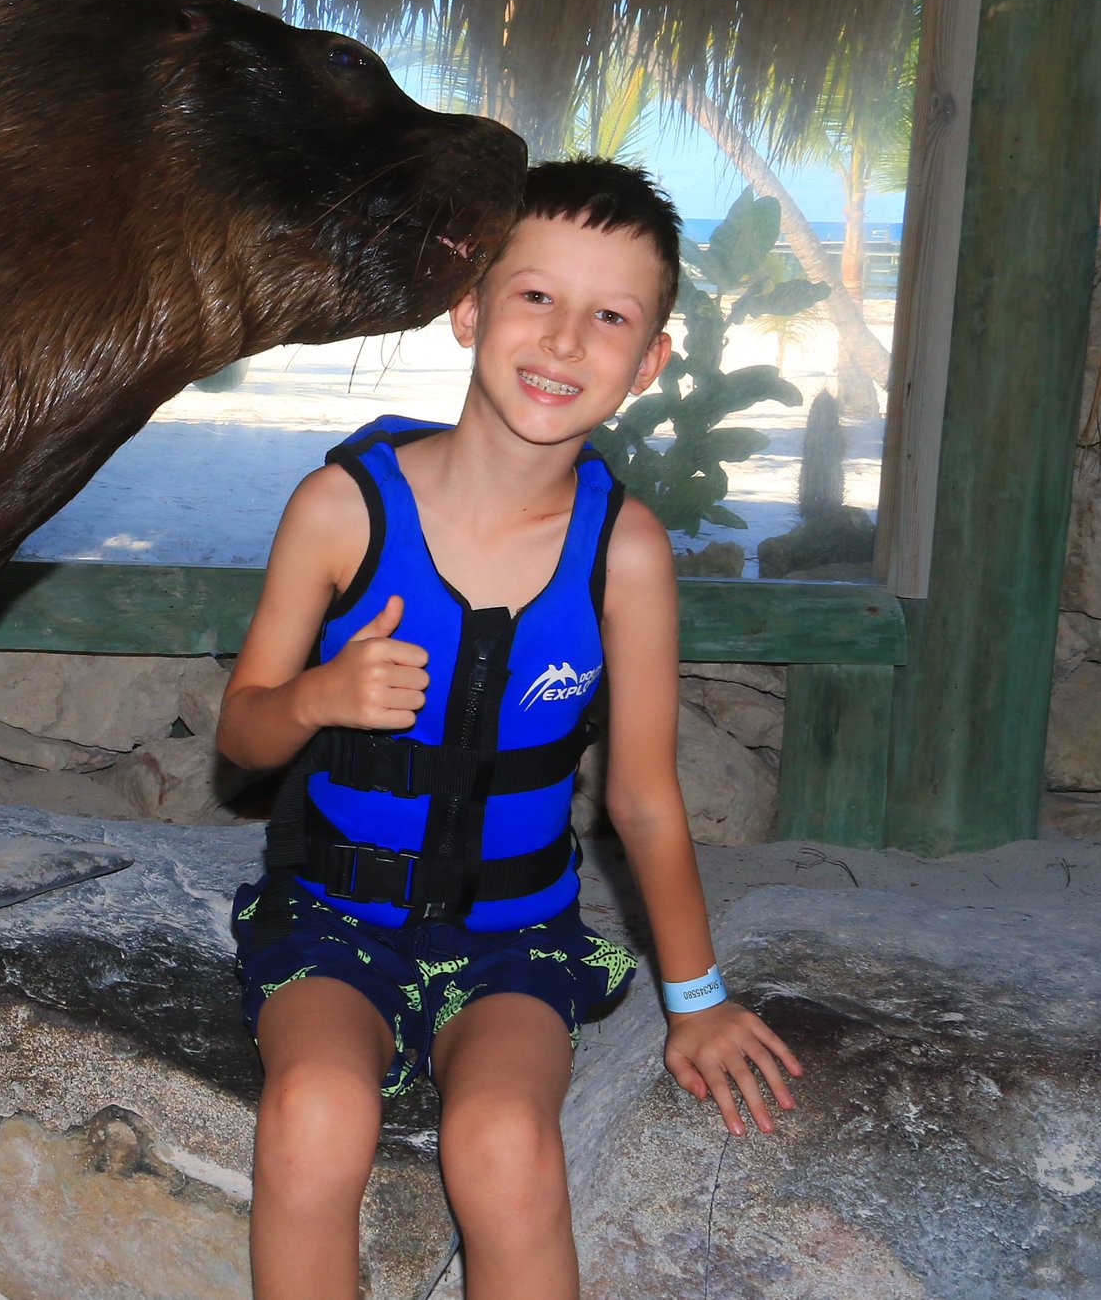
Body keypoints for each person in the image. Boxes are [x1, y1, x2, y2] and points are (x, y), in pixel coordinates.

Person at [215, 159, 802, 1300]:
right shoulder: (341, 509)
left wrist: (697, 1001)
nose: (565, 338)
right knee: (313, 1112)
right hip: (332, 916)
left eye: (611, 317)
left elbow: (639, 796)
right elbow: (241, 735)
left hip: (514, 938)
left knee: (504, 1144)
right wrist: (319, 699)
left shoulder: (624, 553)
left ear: (647, 364)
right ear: (469, 309)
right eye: (535, 296)